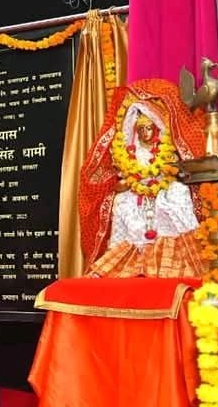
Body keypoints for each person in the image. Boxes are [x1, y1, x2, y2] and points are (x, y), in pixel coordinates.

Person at [80, 79, 207, 278]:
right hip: (137, 190)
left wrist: (164, 176)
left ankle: (180, 260)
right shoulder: (133, 150)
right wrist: (130, 183)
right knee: (122, 202)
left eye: (149, 128)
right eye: (141, 129)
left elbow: (174, 168)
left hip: (163, 189)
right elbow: (125, 174)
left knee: (178, 194)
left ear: (156, 128)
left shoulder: (166, 147)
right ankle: (128, 262)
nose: (145, 133)